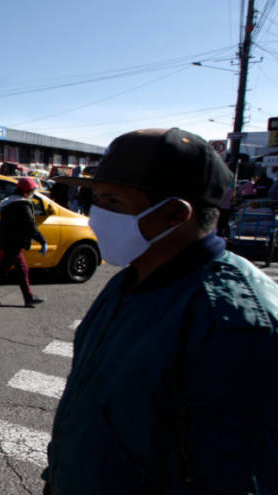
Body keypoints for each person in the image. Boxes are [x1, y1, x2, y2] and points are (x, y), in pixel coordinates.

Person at [42, 128, 278, 494]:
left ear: (174, 214)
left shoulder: (233, 322)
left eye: (113, 202)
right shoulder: (131, 277)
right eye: (95, 200)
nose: (94, 216)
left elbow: (238, 476)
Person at [0, 177, 47, 308]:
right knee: (12, 269)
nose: (32, 194)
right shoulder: (22, 205)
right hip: (14, 243)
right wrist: (42, 240)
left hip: (8, 241)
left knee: (19, 269)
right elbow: (30, 226)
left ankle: (27, 297)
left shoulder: (9, 203)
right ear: (27, 192)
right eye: (32, 191)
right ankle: (26, 297)